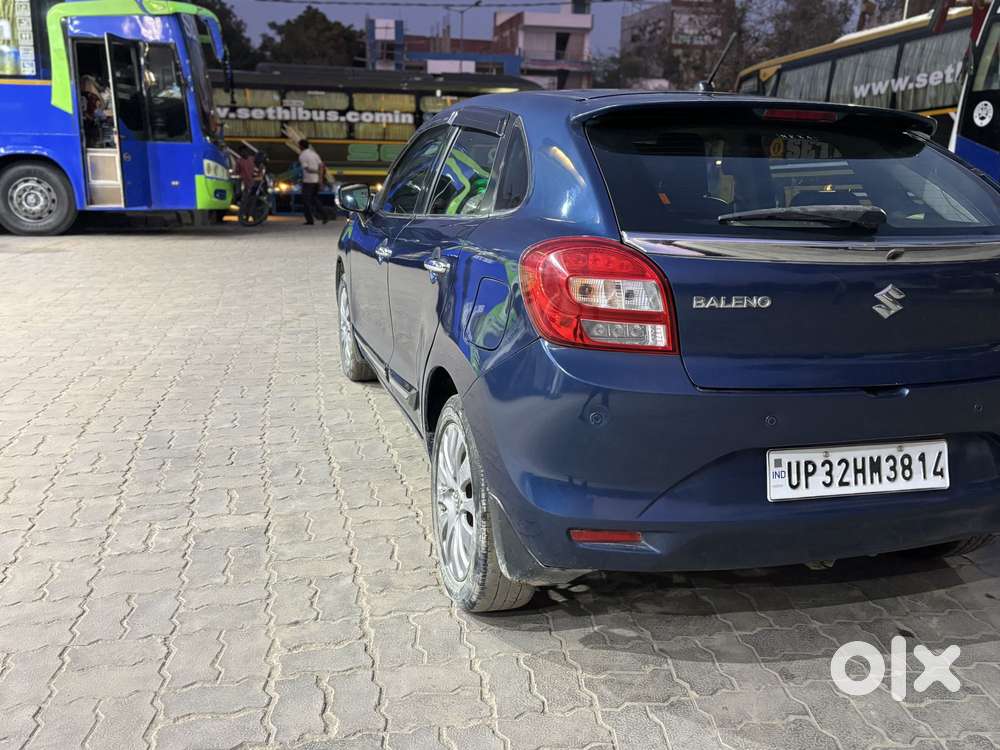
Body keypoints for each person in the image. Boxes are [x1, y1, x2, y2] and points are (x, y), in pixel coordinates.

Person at [298, 138, 328, 225]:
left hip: (308, 181)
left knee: (305, 201)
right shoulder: (314, 153)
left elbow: (307, 169)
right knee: (314, 199)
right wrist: (320, 178)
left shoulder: (302, 155)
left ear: (301, 146)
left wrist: (316, 172)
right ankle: (324, 215)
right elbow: (322, 165)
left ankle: (310, 220)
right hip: (316, 181)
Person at [236, 147, 260, 223]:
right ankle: (245, 218)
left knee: (253, 201)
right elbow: (237, 171)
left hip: (254, 182)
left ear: (247, 152)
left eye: (244, 152)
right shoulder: (239, 161)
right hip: (246, 183)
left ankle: (254, 217)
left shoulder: (252, 159)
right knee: (245, 201)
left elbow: (259, 167)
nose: (243, 154)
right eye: (241, 153)